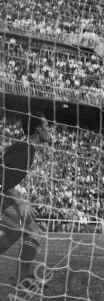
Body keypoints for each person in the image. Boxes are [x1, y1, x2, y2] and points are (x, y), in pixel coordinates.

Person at [0, 113, 52, 288]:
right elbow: (3, 179)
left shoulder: (24, 149)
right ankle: (22, 280)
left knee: (15, 231)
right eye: (47, 126)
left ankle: (22, 278)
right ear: (38, 129)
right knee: (33, 232)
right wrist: (20, 201)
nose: (49, 130)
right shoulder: (25, 151)